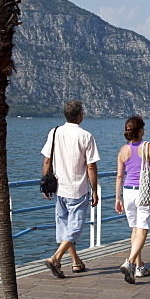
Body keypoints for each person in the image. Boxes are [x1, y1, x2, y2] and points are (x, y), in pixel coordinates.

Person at [41, 100, 99, 279]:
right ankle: (56, 258)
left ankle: (76, 262)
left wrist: (45, 183)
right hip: (78, 190)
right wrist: (94, 189)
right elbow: (90, 166)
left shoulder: (55, 132)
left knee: (64, 226)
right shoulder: (86, 136)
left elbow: (46, 161)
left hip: (59, 189)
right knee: (75, 227)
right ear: (80, 115)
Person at [114, 116, 150, 284]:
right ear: (141, 130)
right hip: (144, 193)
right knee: (142, 231)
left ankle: (139, 266)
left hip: (127, 192)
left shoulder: (122, 150)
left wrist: (117, 198)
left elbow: (120, 176)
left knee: (135, 230)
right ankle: (129, 263)